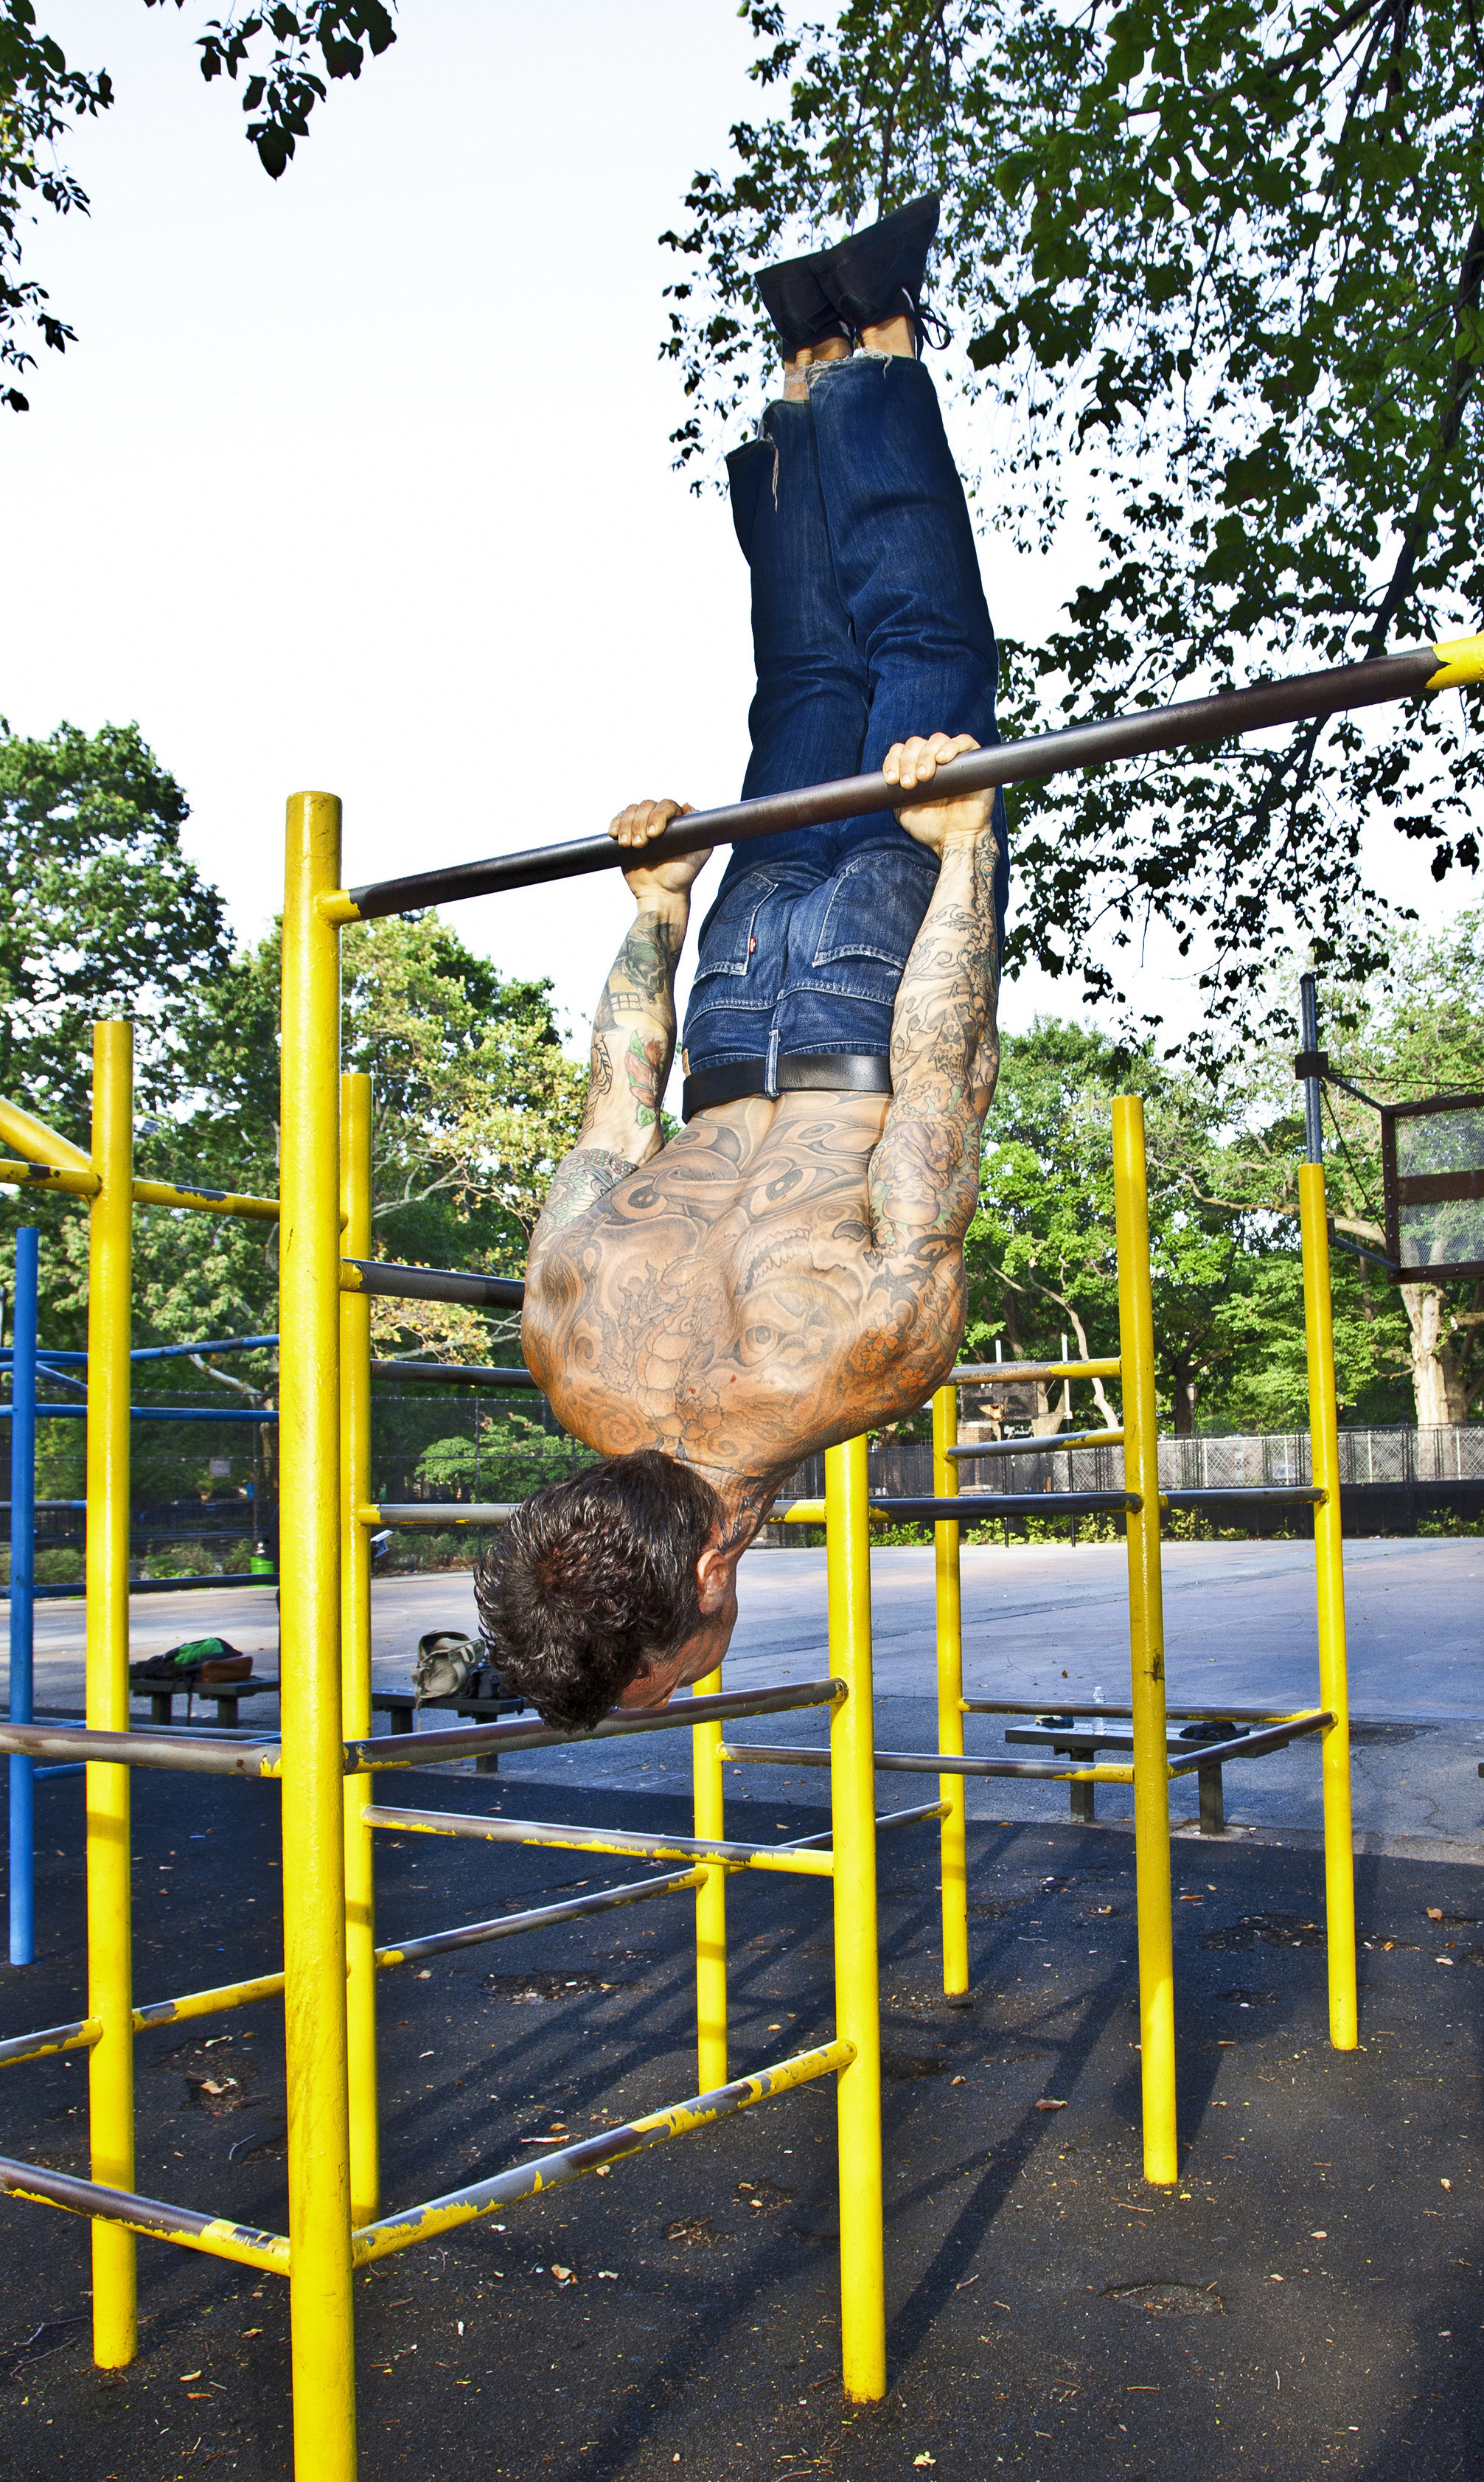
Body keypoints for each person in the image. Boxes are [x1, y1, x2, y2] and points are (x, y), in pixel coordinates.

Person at [475, 197, 1005, 1730]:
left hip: (866, 988)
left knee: (924, 657)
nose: (696, 1684)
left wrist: (966, 852)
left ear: (699, 1590)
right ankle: (804, 370)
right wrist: (651, 907)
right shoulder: (564, 1352)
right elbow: (608, 1115)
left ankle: (880, 346)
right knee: (806, 689)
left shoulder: (851, 1370)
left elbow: (937, 1103)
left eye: (673, 1684)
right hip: (727, 994)